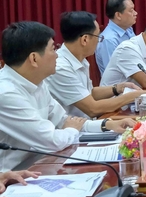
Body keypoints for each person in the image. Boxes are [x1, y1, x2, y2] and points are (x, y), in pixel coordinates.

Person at [0, 22, 135, 171]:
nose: (57, 54)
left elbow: (64, 121)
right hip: (13, 179)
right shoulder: (6, 93)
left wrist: (107, 125)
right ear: (34, 59)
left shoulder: (38, 82)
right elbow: (52, 140)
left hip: (46, 163)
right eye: (53, 49)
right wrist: (72, 129)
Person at [47, 11, 146, 118]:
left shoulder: (80, 59)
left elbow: (89, 93)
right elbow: (93, 108)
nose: (99, 41)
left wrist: (118, 88)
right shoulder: (61, 67)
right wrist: (131, 96)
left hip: (88, 124)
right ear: (85, 39)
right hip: (73, 131)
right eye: (98, 36)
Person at [96, 0, 138, 75]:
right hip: (119, 84)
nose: (136, 13)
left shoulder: (128, 29)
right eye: (131, 10)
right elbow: (114, 73)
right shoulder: (108, 40)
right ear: (118, 15)